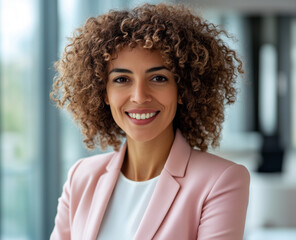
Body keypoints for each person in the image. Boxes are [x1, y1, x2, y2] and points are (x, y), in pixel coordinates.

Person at [50, 3, 250, 240]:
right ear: (103, 92)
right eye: (122, 79)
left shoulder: (221, 181)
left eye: (158, 78)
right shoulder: (81, 177)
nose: (139, 96)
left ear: (182, 89)